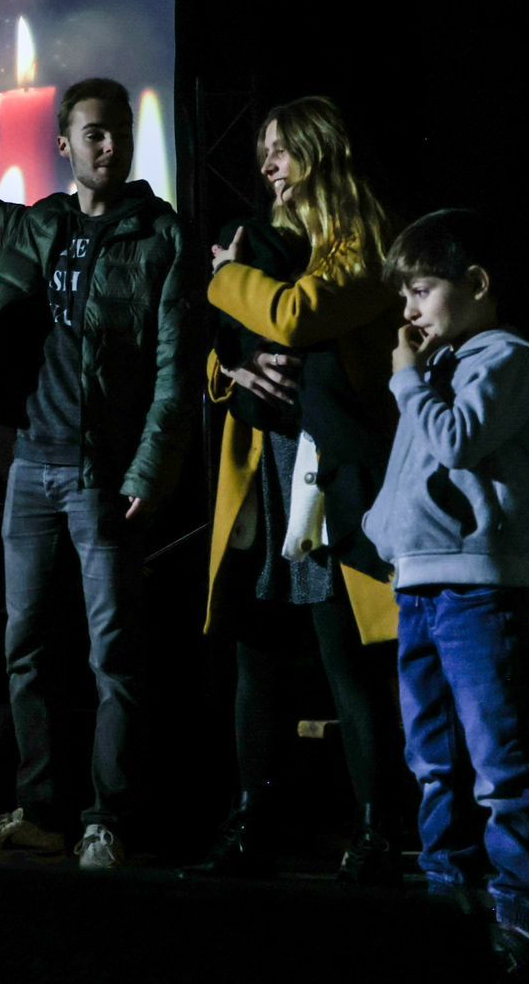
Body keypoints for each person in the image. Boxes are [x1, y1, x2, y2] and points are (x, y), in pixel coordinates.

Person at [0, 58, 187, 871]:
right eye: (94, 133)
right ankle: (39, 811)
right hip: (32, 467)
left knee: (114, 656)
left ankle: (108, 820)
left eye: (120, 133)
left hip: (103, 471)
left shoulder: (158, 233)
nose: (110, 145)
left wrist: (147, 464)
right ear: (65, 144)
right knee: (25, 645)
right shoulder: (41, 224)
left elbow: (174, 366)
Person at [199, 96, 404, 884]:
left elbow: (294, 315)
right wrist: (234, 371)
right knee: (258, 656)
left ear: (319, 150)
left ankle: (378, 833)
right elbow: (230, 353)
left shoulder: (366, 239)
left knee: (347, 660)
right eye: (262, 153)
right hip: (267, 479)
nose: (267, 166)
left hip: (336, 487)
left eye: (280, 149)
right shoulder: (274, 244)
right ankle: (252, 822)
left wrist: (226, 279)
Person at [366, 209, 529, 976]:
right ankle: (447, 908)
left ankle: (522, 926)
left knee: (500, 763)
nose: (409, 310)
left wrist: (408, 381)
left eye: (422, 290)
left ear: (477, 284)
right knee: (433, 759)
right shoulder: (436, 367)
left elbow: (455, 439)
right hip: (421, 585)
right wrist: (386, 534)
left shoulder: (503, 357)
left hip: (480, 593)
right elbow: (414, 471)